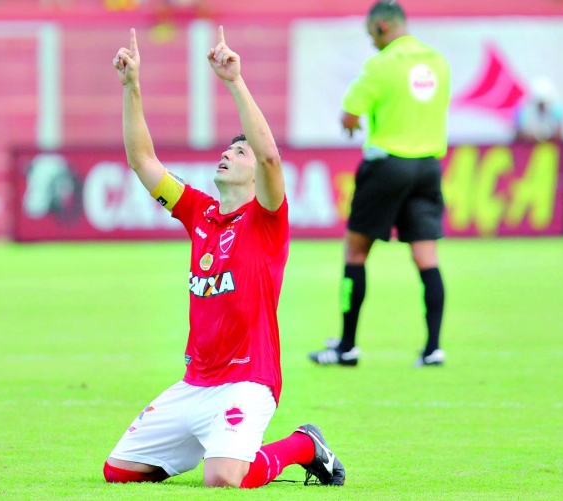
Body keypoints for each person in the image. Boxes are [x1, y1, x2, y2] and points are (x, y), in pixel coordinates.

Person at [105, 27, 345, 488]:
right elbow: (142, 160)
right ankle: (213, 441)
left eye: (239, 152)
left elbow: (271, 157)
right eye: (226, 149)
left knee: (221, 480)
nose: (226, 154)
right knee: (118, 472)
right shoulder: (198, 210)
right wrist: (131, 87)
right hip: (194, 382)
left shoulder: (266, 219)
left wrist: (234, 82)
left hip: (248, 381)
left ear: (255, 171)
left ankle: (303, 445)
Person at [308, 0, 451, 368]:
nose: (371, 41)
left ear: (383, 26)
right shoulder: (437, 62)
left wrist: (354, 124)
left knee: (355, 253)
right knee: (426, 259)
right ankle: (433, 349)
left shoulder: (382, 65)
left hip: (388, 164)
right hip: (428, 167)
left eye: (371, 33)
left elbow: (349, 115)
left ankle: (346, 347)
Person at [514, 77, 563, 143]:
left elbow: (560, 132)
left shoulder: (557, 109)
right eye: (540, 104)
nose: (542, 107)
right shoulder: (523, 110)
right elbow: (519, 133)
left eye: (544, 104)